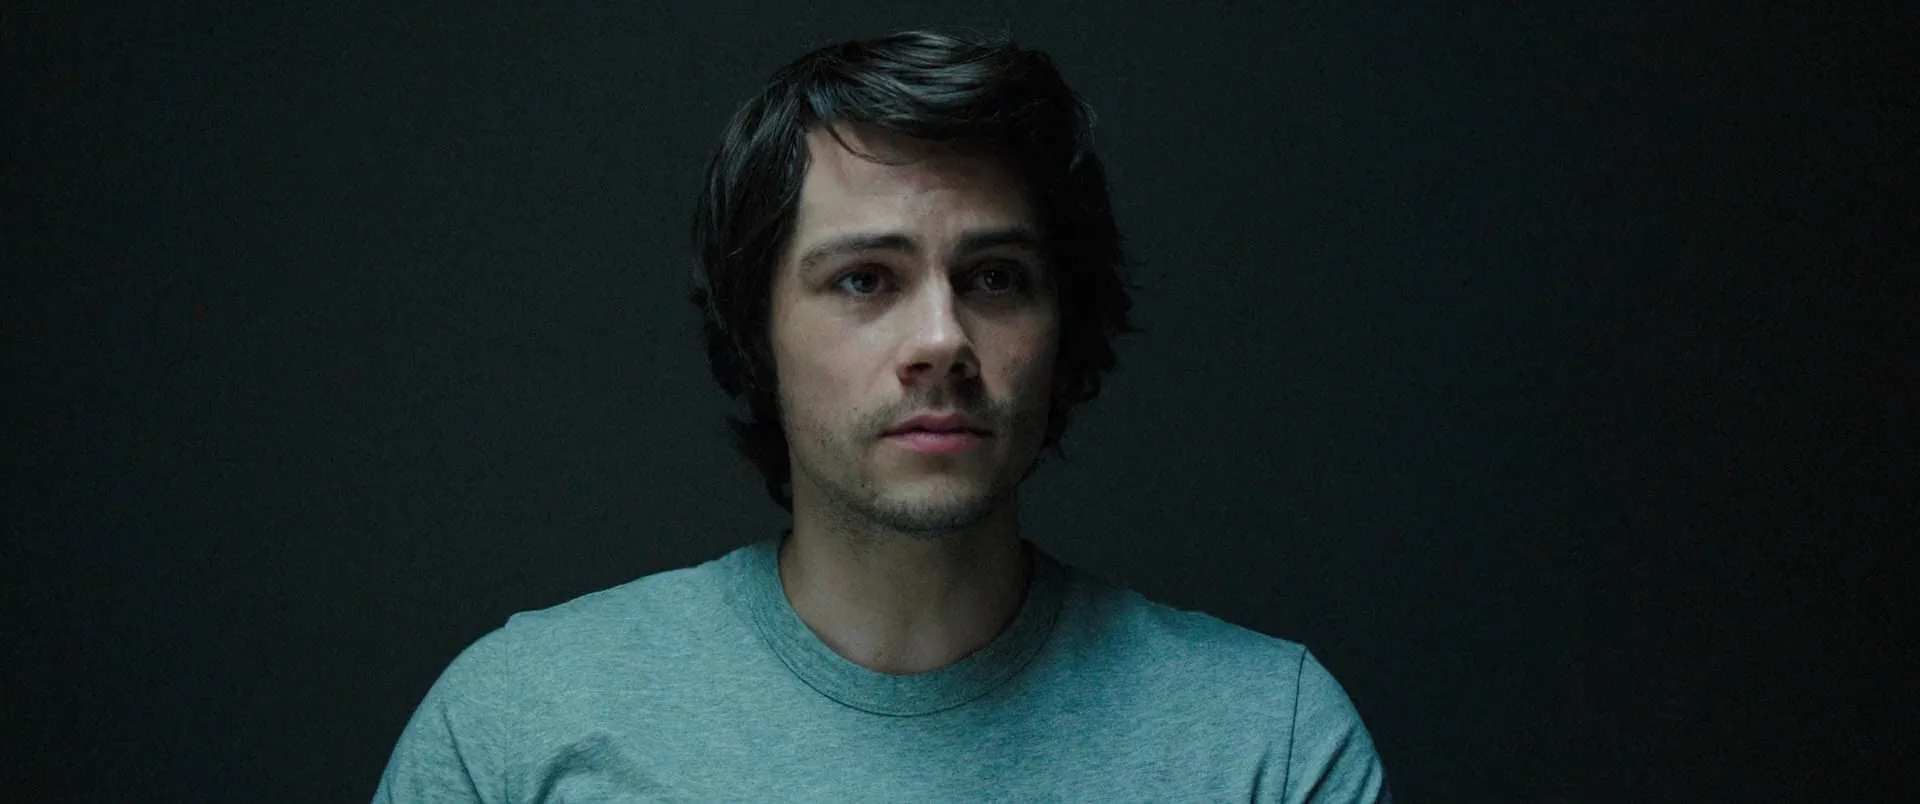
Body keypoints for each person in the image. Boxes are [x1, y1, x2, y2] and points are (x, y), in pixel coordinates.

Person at [374, 28, 1390, 802]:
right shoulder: (523, 723)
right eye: (864, 279)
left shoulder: (1266, 742)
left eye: (996, 277)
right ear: (756, 331)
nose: (942, 339)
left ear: (1062, 325)